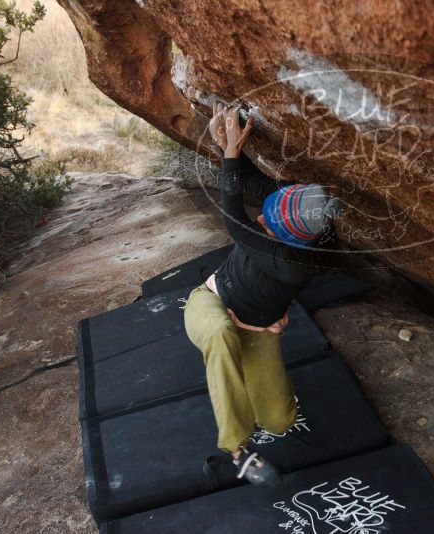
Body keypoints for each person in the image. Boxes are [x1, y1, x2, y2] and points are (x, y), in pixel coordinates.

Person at [183, 102, 341, 486]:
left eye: (266, 225)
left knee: (280, 421)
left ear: (290, 241)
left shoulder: (293, 263)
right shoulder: (299, 206)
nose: (260, 219)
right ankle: (237, 449)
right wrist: (228, 148)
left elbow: (235, 218)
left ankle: (249, 384)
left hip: (257, 329)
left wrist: (230, 155)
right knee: (220, 333)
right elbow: (252, 184)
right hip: (211, 303)